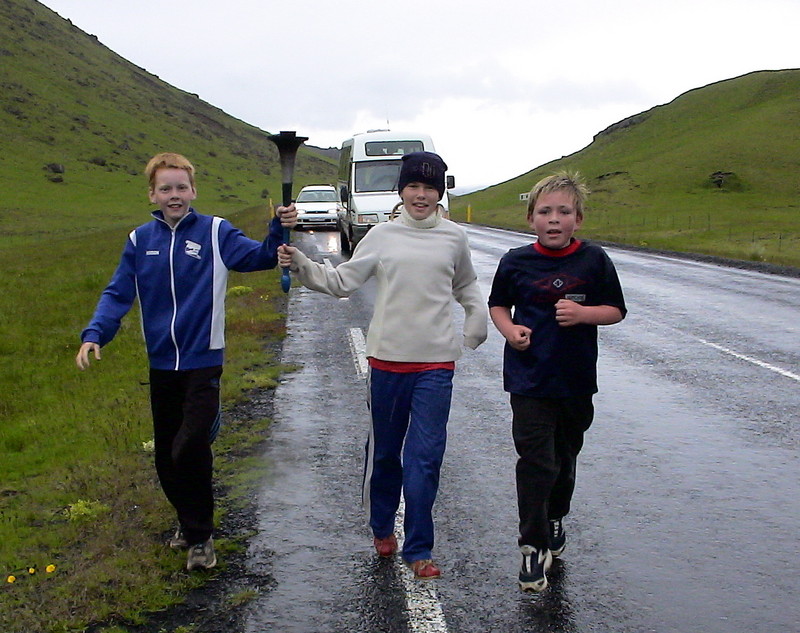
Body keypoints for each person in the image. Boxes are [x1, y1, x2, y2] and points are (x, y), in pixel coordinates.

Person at [76, 152, 297, 571]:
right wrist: (94, 334)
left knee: (189, 448)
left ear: (193, 191)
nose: (174, 195)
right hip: (161, 365)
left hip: (202, 361)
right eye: (166, 188)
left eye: (181, 187)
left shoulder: (215, 232)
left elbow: (261, 256)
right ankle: (188, 522)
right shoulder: (140, 240)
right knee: (167, 457)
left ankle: (200, 538)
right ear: (153, 195)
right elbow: (118, 293)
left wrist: (278, 227)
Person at [278, 151, 487, 579]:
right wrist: (301, 263)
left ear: (441, 192)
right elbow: (340, 282)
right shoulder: (381, 236)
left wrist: (475, 320)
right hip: (388, 362)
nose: (421, 195)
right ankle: (381, 526)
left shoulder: (453, 237)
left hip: (436, 365)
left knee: (425, 458)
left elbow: (465, 284)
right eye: (414, 186)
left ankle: (419, 549)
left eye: (430, 187)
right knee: (387, 455)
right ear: (402, 190)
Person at [487, 172, 626, 592]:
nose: (554, 219)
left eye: (563, 211)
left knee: (564, 460)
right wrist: (510, 331)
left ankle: (554, 515)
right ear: (531, 218)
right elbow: (498, 305)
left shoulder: (594, 260)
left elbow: (616, 310)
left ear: (577, 219)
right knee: (535, 462)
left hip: (576, 381)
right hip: (529, 381)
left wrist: (585, 315)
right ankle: (532, 547)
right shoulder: (515, 261)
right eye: (545, 211)